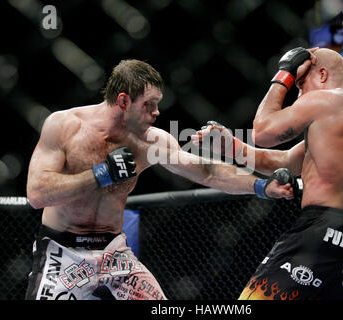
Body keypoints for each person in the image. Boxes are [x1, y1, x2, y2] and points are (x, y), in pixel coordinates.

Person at [25, 59, 294, 300]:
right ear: (123, 101)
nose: (156, 113)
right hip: (62, 249)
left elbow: (206, 171)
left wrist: (261, 185)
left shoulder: (149, 141)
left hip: (114, 252)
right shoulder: (64, 126)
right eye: (149, 105)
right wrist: (100, 175)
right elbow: (37, 194)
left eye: (157, 104)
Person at [192, 47, 343, 300]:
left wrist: (285, 74)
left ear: (322, 74)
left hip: (321, 230)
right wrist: (232, 147)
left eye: (301, 84)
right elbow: (286, 160)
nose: (299, 94)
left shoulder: (329, 99)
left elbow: (262, 131)